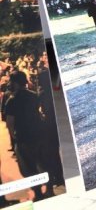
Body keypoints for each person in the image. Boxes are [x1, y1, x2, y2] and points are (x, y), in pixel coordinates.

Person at [5, 70, 54, 201]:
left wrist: (13, 138)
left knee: (29, 167)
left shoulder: (11, 100)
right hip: (39, 133)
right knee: (44, 162)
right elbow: (39, 112)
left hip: (24, 137)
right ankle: (50, 189)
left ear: (14, 83)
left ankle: (38, 192)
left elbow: (10, 123)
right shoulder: (34, 95)